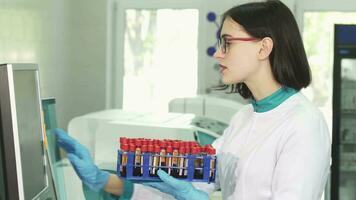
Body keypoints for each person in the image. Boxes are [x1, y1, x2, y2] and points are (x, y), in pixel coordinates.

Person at [55, 0, 331, 199]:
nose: (218, 54)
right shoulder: (244, 119)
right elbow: (191, 185)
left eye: (228, 43)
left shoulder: (304, 124)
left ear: (264, 47)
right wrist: (106, 181)